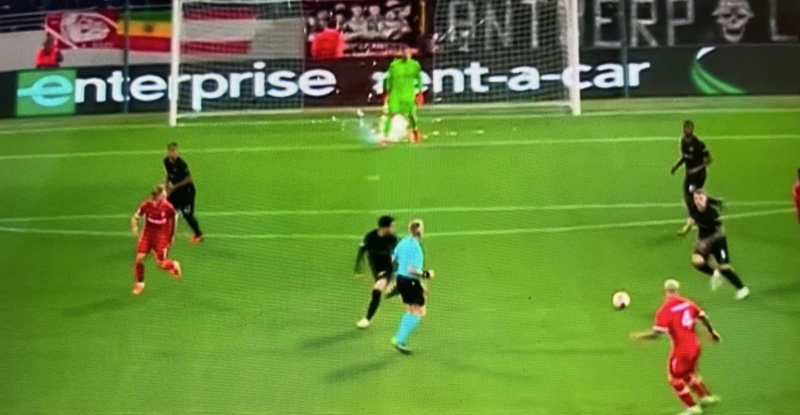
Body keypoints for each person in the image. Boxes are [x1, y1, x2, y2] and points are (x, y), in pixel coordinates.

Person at [630, 279, 722, 415]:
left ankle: (692, 407)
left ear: (665, 291)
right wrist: (711, 332)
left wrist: (640, 336)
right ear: (677, 290)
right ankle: (705, 397)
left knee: (675, 378)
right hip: (695, 346)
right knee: (688, 373)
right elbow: (702, 317)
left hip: (681, 350)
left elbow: (657, 333)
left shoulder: (665, 310)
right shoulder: (688, 303)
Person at [688, 188, 750, 299]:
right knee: (697, 261)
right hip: (704, 240)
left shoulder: (712, 214)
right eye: (696, 198)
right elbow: (692, 221)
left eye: (700, 198)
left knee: (724, 268)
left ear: (706, 199)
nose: (698, 201)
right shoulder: (693, 209)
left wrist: (705, 242)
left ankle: (742, 289)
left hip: (718, 241)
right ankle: (715, 273)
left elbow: (720, 231)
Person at [391, 219, 434, 354]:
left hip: (401, 280)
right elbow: (412, 270)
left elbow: (393, 259)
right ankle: (399, 338)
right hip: (410, 282)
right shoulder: (417, 249)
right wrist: (427, 274)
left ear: (409, 230)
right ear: (421, 232)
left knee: (410, 311)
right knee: (419, 312)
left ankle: (400, 340)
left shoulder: (402, 242)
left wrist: (394, 279)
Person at [130, 185, 182, 295]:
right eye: (163, 194)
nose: (165, 195)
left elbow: (174, 218)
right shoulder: (146, 205)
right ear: (157, 195)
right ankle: (140, 283)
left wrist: (172, 234)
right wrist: (134, 225)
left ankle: (173, 265)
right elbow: (136, 216)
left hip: (161, 236)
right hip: (147, 235)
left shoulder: (167, 206)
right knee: (139, 258)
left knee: (161, 264)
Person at [354, 215, 398, 328]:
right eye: (391, 226)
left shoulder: (392, 239)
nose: (393, 228)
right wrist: (358, 267)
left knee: (377, 290)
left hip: (387, 270)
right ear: (384, 228)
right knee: (383, 289)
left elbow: (397, 256)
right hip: (376, 270)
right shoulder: (371, 237)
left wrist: (394, 270)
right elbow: (362, 250)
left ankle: (367, 319)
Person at [670, 121, 712, 236]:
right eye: (686, 128)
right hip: (689, 175)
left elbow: (709, 159)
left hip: (698, 175)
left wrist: (700, 167)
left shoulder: (698, 144)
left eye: (690, 128)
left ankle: (691, 222)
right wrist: (676, 166)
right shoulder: (683, 141)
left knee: (691, 196)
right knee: (688, 196)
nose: (687, 130)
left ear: (692, 130)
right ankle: (701, 218)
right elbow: (684, 157)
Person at [380, 44, 424, 145]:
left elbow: (419, 79)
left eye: (408, 52)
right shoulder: (394, 65)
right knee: (390, 115)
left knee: (412, 115)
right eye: (404, 52)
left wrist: (420, 93)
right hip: (395, 95)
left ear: (411, 54)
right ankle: (384, 137)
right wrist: (386, 93)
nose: (406, 54)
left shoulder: (415, 65)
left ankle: (415, 132)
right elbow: (388, 79)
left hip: (408, 95)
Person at [164, 142, 203, 243]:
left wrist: (174, 187)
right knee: (166, 208)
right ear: (168, 152)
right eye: (171, 151)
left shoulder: (181, 164)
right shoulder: (166, 161)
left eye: (175, 151)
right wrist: (166, 186)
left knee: (188, 215)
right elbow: (168, 174)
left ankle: (198, 234)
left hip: (187, 192)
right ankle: (167, 233)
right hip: (176, 191)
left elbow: (189, 179)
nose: (173, 153)